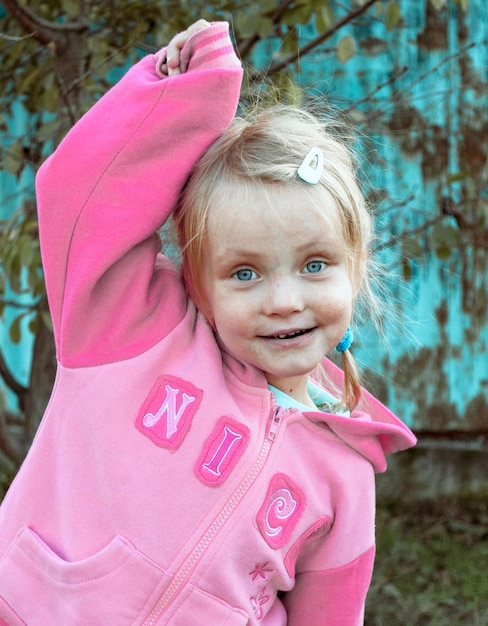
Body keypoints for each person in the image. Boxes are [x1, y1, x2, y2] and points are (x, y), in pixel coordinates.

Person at [0, 19, 416, 625]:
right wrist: (190, 98)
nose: (283, 300)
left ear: (355, 271)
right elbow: (78, 200)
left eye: (315, 265)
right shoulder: (137, 333)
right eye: (244, 273)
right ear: (197, 281)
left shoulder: (347, 469)